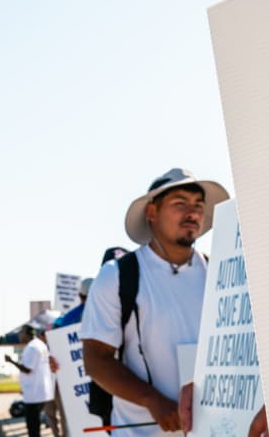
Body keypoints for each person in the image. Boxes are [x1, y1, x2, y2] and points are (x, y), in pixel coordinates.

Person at [80, 168, 229, 437]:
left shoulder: (219, 271)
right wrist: (154, 401)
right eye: (180, 203)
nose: (192, 212)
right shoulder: (118, 275)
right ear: (152, 213)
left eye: (198, 205)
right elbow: (96, 359)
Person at [4, 323, 55, 437]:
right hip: (41, 391)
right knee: (35, 423)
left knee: (33, 426)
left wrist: (11, 361)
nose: (19, 335)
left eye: (21, 332)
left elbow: (28, 370)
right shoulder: (40, 345)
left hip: (34, 394)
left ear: (27, 334)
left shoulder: (32, 347)